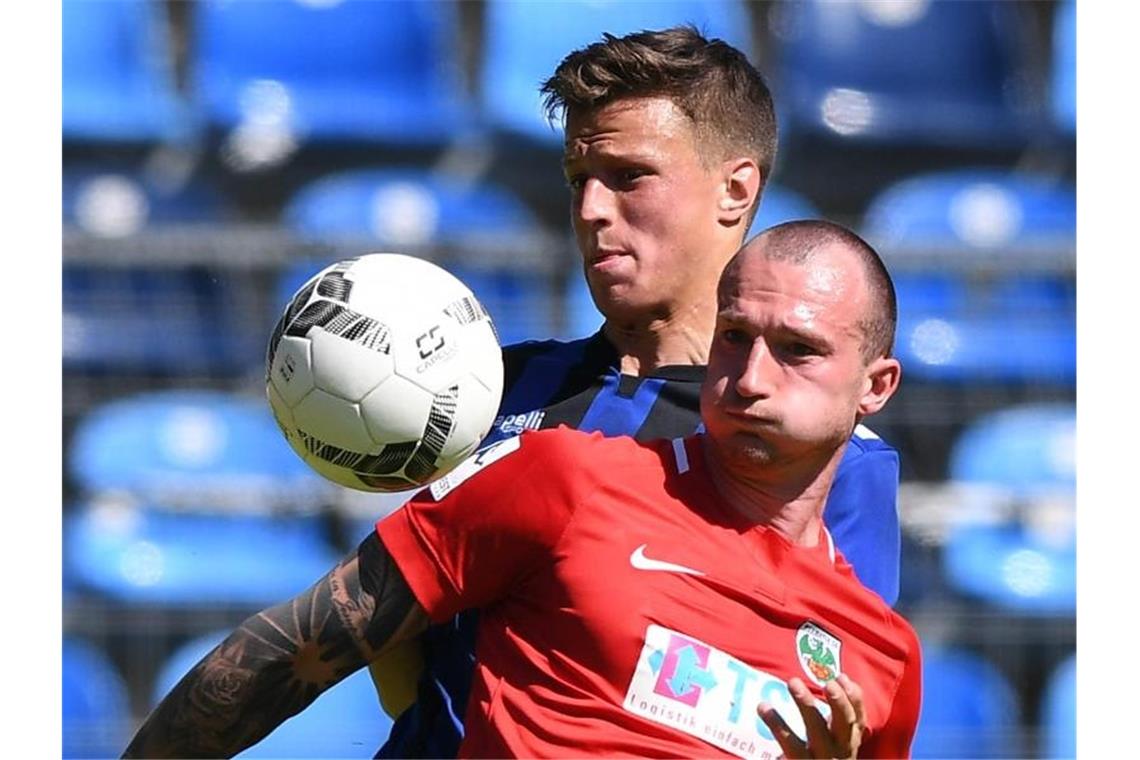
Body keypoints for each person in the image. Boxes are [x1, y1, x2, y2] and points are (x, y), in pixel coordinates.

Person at [123, 221, 920, 760]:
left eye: (798, 350)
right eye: (735, 337)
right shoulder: (566, 477)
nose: (750, 377)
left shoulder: (881, 662)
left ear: (875, 386)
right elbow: (289, 652)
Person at [369, 25, 903, 758]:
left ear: (735, 190)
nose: (590, 210)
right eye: (577, 180)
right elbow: (394, 649)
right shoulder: (491, 388)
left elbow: (822, 698)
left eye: (628, 177)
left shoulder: (829, 458)